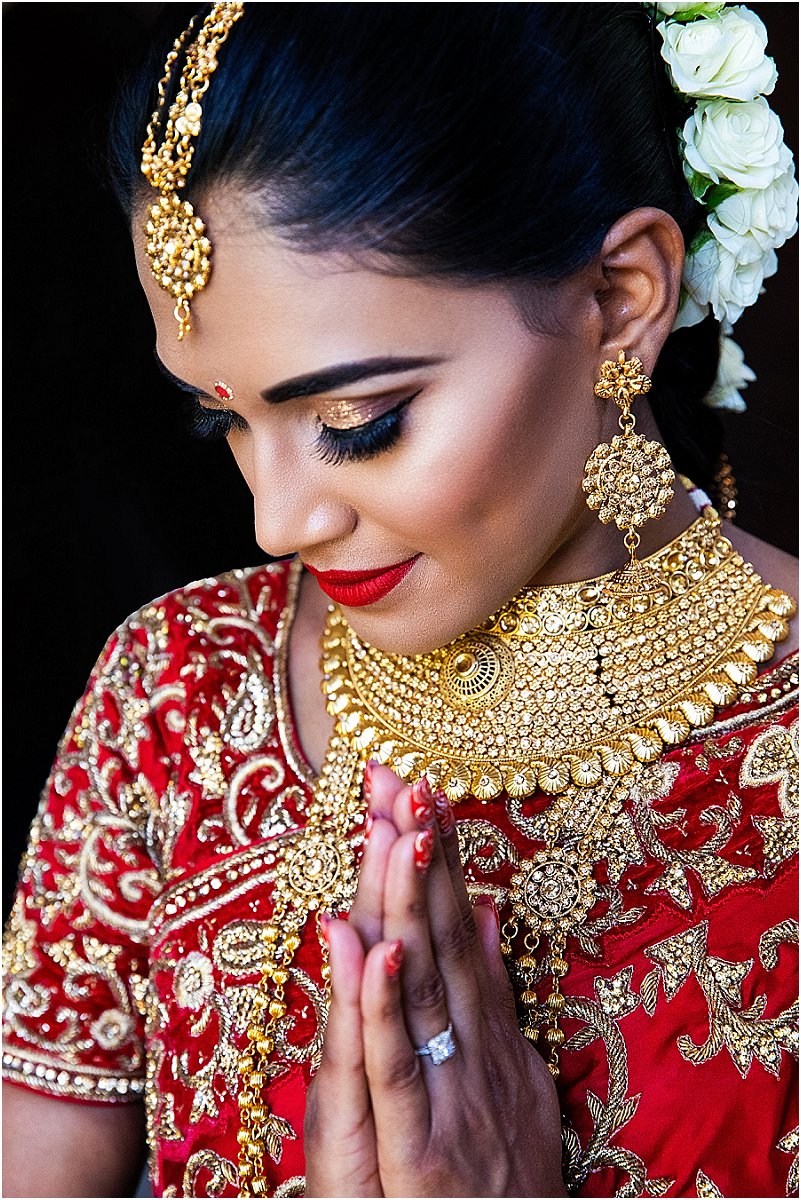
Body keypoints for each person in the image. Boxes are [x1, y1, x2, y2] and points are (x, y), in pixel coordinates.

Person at [3, 3, 798, 1197]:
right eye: (229, 418)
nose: (279, 523)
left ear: (622, 301)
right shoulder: (176, 689)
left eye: (354, 421)